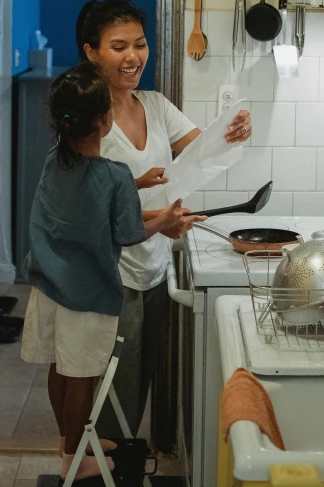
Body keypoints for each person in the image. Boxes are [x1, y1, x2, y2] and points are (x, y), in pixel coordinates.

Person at [76, 0, 252, 439]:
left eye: (139, 43)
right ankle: (101, 464)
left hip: (153, 267)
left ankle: (120, 461)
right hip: (109, 274)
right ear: (91, 52)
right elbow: (87, 206)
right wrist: (160, 218)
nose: (133, 56)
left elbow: (203, 148)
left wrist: (234, 130)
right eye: (118, 46)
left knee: (137, 380)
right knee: (113, 383)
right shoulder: (87, 120)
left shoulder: (154, 104)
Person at [20, 62, 204, 481]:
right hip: (87, 294)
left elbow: (90, 195)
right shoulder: (113, 175)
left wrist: (136, 184)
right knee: (82, 376)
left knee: (58, 366)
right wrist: (168, 219)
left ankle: (69, 440)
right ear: (105, 120)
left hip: (49, 285)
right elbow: (130, 232)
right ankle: (75, 457)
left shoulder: (56, 160)